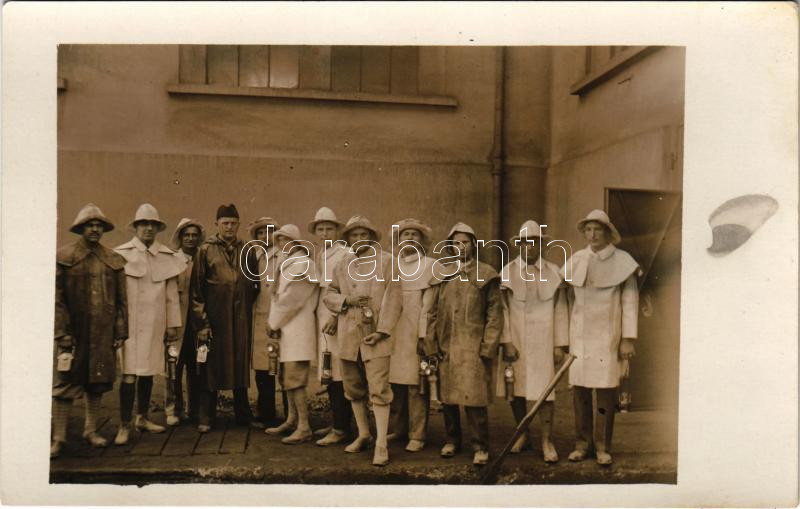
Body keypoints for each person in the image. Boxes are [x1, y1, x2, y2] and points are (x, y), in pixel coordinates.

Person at [560, 209, 640, 466]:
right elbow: (567, 300)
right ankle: (582, 444)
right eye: (588, 230)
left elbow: (630, 302)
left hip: (607, 336)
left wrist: (628, 338)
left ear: (608, 232)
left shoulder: (623, 261)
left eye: (597, 229)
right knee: (580, 391)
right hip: (580, 336)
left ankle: (603, 446)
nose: (592, 235)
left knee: (605, 391)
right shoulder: (577, 259)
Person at [323, 215, 402, 466]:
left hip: (375, 337)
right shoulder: (342, 264)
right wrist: (346, 301)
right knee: (353, 388)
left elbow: (394, 298)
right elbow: (329, 293)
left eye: (363, 235)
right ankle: (364, 434)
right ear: (348, 239)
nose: (359, 239)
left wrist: (382, 330)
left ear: (371, 237)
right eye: (354, 235)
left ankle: (381, 444)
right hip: (348, 335)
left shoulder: (387, 262)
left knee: (379, 389)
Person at [51, 204, 128, 458]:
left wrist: (120, 330)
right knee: (65, 384)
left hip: (103, 333)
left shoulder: (112, 260)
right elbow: (56, 300)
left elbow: (121, 300)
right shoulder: (65, 257)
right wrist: (62, 333)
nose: (95, 229)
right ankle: (59, 438)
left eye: (99, 225)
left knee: (97, 382)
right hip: (73, 334)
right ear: (81, 228)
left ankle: (90, 430)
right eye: (90, 225)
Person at [422, 222, 503, 466]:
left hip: (473, 345)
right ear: (450, 247)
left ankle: (480, 446)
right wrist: (431, 343)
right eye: (456, 243)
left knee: (474, 398)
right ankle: (452, 440)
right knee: (448, 397)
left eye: (465, 242)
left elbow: (495, 314)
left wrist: (488, 346)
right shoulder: (443, 274)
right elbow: (432, 312)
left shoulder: (486, 273)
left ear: (473, 245)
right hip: (447, 344)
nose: (461, 247)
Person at [497, 220, 569, 463]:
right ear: (518, 245)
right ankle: (522, 434)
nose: (529, 247)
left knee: (545, 391)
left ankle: (547, 440)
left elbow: (561, 309)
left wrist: (559, 344)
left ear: (541, 245)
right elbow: (503, 311)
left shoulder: (554, 272)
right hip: (516, 338)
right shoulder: (507, 272)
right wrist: (507, 341)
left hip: (544, 340)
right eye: (524, 242)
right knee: (515, 388)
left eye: (534, 242)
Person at [113, 204, 185, 444]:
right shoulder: (121, 254)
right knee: (129, 374)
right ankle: (124, 425)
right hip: (130, 326)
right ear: (136, 227)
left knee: (148, 372)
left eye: (152, 225)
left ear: (157, 228)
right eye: (143, 224)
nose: (148, 228)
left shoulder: (166, 257)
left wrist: (173, 324)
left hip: (155, 324)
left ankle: (142, 418)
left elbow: (171, 296)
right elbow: (116, 294)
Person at [191, 204, 263, 433]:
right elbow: (196, 292)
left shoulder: (247, 250)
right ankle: (206, 416)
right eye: (225, 223)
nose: (229, 227)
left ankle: (243, 415)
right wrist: (202, 323)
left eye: (233, 223)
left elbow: (255, 285)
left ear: (238, 224)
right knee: (211, 365)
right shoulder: (205, 250)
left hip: (240, 318)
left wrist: (241, 302)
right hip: (215, 319)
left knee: (239, 364)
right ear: (217, 225)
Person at [264, 224, 320, 444]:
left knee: (296, 378)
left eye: (286, 239)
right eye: (279, 240)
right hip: (287, 329)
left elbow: (292, 300)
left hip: (298, 329)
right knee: (287, 376)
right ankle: (292, 419)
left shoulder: (303, 265)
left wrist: (273, 323)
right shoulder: (287, 263)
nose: (282, 244)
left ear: (296, 242)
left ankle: (304, 427)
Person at [386, 219, 436, 453]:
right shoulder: (392, 264)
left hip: (415, 329)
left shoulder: (429, 266)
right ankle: (399, 428)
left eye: (414, 234)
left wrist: (423, 334)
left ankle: (418, 433)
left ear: (421, 240)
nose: (409, 238)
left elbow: (429, 305)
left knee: (416, 383)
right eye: (405, 234)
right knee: (395, 381)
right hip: (393, 329)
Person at [307, 206, 353, 447]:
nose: (325, 233)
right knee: (329, 370)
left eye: (329, 229)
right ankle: (337, 422)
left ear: (337, 231)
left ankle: (342, 428)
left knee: (339, 371)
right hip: (322, 316)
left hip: (337, 317)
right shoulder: (321, 254)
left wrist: (336, 317)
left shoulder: (345, 254)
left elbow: (347, 290)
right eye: (320, 229)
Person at [164, 218, 205, 426]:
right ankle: (173, 409)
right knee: (173, 367)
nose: (190, 239)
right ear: (180, 238)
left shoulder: (203, 258)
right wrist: (168, 323)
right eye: (186, 235)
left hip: (197, 323)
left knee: (196, 367)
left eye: (194, 235)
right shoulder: (172, 260)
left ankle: (194, 410)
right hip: (176, 321)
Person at [248, 216, 283, 428]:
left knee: (282, 367)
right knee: (262, 368)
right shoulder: (253, 256)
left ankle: (290, 414)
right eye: (260, 233)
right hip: (258, 317)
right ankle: (266, 412)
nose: (265, 236)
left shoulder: (282, 256)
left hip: (278, 317)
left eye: (269, 232)